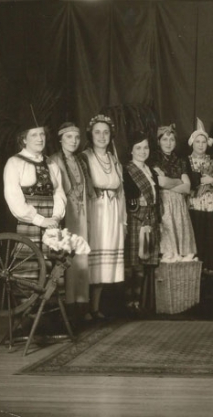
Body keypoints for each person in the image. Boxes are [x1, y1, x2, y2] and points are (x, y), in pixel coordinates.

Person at [79, 114, 125, 320]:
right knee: (91, 259)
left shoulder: (114, 159)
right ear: (90, 134)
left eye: (106, 132)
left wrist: (123, 220)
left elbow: (121, 191)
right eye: (97, 132)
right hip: (94, 211)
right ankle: (83, 308)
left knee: (104, 265)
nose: (102, 136)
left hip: (112, 212)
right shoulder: (84, 157)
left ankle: (95, 308)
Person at [50, 122, 91, 322]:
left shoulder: (80, 161)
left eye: (76, 137)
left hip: (81, 214)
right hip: (67, 215)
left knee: (81, 255)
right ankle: (68, 306)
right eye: (69, 137)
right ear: (60, 139)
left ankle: (81, 304)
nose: (74, 141)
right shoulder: (54, 160)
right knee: (67, 257)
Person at [3, 121, 66, 251]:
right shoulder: (14, 163)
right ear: (24, 139)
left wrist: (55, 218)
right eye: (34, 135)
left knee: (53, 266)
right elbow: (14, 199)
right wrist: (40, 221)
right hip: (29, 225)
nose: (40, 139)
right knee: (30, 266)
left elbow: (59, 194)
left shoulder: (52, 164)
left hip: (52, 227)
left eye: (42, 134)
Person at [123, 132, 160, 314]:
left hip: (150, 217)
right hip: (135, 218)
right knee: (132, 262)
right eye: (138, 147)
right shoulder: (127, 170)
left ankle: (138, 301)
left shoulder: (150, 170)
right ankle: (129, 302)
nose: (142, 151)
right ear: (131, 150)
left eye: (145, 147)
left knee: (144, 260)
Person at [187, 120, 213, 274]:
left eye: (203, 142)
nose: (201, 145)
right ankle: (197, 267)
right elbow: (188, 180)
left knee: (211, 234)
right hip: (194, 201)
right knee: (197, 232)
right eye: (198, 141)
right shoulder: (187, 161)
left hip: (211, 201)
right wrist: (200, 180)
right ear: (192, 143)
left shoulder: (212, 160)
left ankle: (212, 265)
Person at [153, 124, 197, 262]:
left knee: (182, 240)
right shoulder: (154, 159)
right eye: (165, 139)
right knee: (168, 239)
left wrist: (169, 183)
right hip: (164, 203)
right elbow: (161, 183)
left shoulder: (180, 161)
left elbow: (187, 187)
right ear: (158, 141)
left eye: (171, 139)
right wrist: (179, 181)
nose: (168, 143)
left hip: (179, 205)